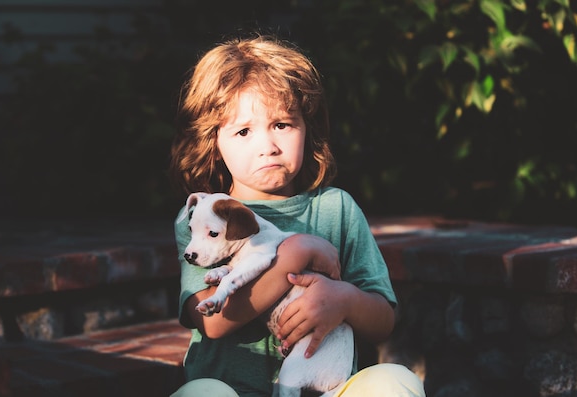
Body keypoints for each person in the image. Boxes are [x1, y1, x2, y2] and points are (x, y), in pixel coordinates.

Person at [169, 33, 425, 397]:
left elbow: (383, 321)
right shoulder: (204, 217)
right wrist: (296, 251)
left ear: (307, 128)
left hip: (326, 390)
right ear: (213, 143)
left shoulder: (335, 208)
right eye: (243, 131)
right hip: (233, 391)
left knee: (397, 382)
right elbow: (213, 323)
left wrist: (344, 300)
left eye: (282, 125)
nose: (268, 147)